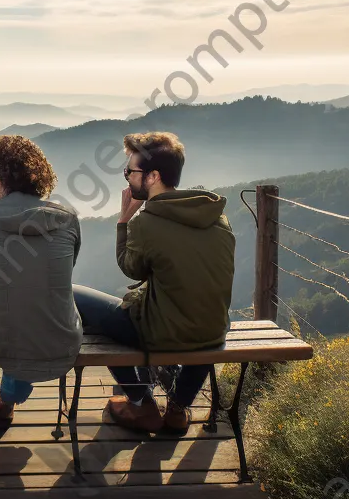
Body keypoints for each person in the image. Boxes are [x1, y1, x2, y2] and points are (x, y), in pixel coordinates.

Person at [73, 131, 236, 435]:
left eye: (130, 172)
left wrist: (123, 221)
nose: (127, 179)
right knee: (198, 324)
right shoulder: (217, 217)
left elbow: (130, 269)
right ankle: (177, 409)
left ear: (153, 177)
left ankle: (140, 401)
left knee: (75, 296)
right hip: (216, 332)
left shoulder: (147, 222)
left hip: (164, 333)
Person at [0, 135, 82, 436]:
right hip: (61, 338)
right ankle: (8, 402)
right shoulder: (68, 218)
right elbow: (63, 270)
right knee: (32, 307)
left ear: (1, 178)